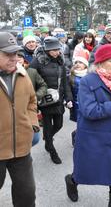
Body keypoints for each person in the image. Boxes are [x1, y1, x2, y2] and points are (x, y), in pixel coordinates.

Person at [65, 44, 111, 206]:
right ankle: (72, 181)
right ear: (100, 62)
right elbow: (88, 110)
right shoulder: (88, 81)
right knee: (85, 170)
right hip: (92, 135)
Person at [0, 32, 39, 207]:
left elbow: (32, 101)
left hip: (22, 149)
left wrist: (32, 123)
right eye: (7, 54)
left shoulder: (23, 75)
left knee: (27, 195)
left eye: (15, 54)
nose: (14, 58)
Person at [30, 37, 73, 164]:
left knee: (59, 124)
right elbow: (30, 82)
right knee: (48, 126)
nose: (56, 52)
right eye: (53, 50)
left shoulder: (61, 61)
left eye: (58, 49)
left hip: (58, 98)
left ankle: (47, 138)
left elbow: (65, 82)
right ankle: (51, 149)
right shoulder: (37, 61)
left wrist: (68, 97)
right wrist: (34, 99)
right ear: (47, 49)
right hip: (45, 100)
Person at [68, 51, 89, 146]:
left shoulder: (89, 75)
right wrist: (67, 100)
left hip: (88, 103)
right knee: (81, 123)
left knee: (86, 123)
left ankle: (78, 136)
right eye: (76, 62)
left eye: (80, 62)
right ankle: (76, 137)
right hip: (76, 104)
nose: (77, 64)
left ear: (85, 65)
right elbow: (67, 90)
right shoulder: (71, 76)